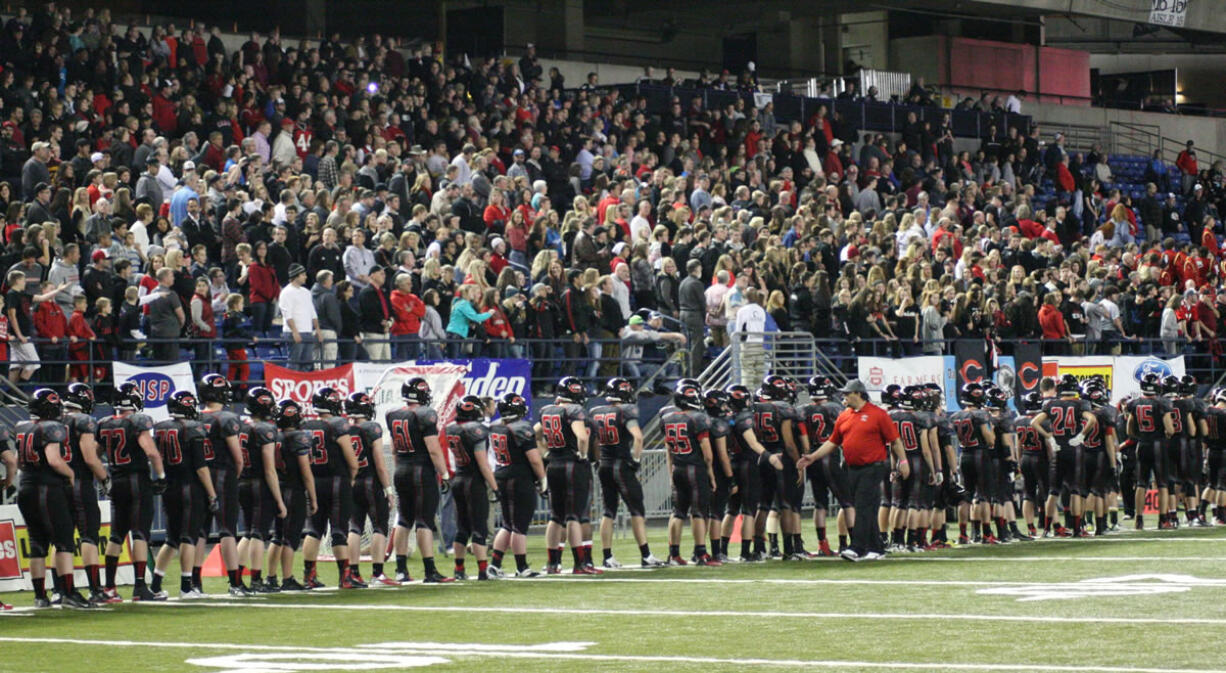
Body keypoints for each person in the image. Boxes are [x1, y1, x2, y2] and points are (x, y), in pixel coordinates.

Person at [797, 379, 909, 562]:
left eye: (848, 393)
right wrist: (813, 457)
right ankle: (876, 547)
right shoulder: (844, 415)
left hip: (873, 466)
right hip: (852, 468)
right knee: (867, 507)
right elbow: (833, 441)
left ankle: (857, 547)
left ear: (858, 393)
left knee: (863, 506)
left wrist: (903, 461)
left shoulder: (878, 414)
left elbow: (895, 440)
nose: (844, 396)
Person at [16, 389, 94, 609]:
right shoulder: (52, 427)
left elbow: (17, 459)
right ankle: (68, 592)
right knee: (64, 542)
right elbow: (54, 460)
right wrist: (71, 475)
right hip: (47, 489)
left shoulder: (22, 427)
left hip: (26, 487)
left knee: (37, 543)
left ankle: (40, 596)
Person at [97, 382, 166, 601]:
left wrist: (104, 479)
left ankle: (109, 587)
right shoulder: (137, 421)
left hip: (117, 481)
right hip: (137, 480)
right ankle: (139, 587)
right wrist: (161, 476)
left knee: (116, 535)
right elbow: (152, 453)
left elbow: (95, 453)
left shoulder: (104, 423)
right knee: (140, 534)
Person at [149, 390, 217, 600]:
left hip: (170, 486)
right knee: (188, 536)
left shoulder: (160, 428)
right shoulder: (193, 428)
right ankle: (186, 587)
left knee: (172, 539)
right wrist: (212, 494)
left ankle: (156, 584)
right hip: (190, 487)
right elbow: (201, 467)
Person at [590, 377, 664, 569]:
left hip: (605, 464)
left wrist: (598, 461)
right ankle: (646, 555)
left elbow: (596, 442)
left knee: (608, 510)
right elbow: (638, 438)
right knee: (637, 509)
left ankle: (607, 557)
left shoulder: (596, 412)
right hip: (621, 464)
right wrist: (636, 461)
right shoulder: (626, 411)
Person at [387, 377, 454, 584]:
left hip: (402, 470)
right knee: (424, 520)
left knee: (404, 520)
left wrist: (401, 468)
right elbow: (433, 450)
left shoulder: (393, 415)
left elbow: (394, 449)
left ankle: (400, 569)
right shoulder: (426, 414)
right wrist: (444, 474)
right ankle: (430, 570)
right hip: (421, 470)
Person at [299, 387, 359, 589]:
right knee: (339, 529)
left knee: (313, 529)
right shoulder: (338, 425)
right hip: (336, 481)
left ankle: (308, 576)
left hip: (314, 481)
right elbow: (352, 461)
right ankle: (345, 576)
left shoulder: (306, 425)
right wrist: (350, 479)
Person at [194, 374, 248, 595]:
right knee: (227, 530)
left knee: (200, 531)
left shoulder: (195, 417)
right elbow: (238, 458)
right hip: (223, 474)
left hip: (199, 476)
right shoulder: (226, 419)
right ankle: (235, 583)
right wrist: (234, 476)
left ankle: (193, 583)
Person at [537, 376, 597, 574]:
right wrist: (582, 454)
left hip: (553, 464)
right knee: (573, 516)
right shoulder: (574, 410)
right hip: (572, 465)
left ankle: (552, 563)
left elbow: (535, 434)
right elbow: (581, 437)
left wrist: (545, 452)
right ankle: (579, 563)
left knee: (556, 517)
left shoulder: (546, 410)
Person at [486, 393, 547, 579]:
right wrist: (543, 478)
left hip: (502, 474)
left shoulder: (496, 427)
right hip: (519, 477)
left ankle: (495, 565)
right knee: (519, 525)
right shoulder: (522, 428)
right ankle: (521, 567)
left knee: (508, 524)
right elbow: (535, 460)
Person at [1031, 374, 1099, 538]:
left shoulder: (1052, 404)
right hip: (1074, 448)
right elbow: (1092, 419)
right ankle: (1076, 529)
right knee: (1075, 489)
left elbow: (1034, 422)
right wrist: (1081, 435)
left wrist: (1049, 437)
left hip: (1057, 448)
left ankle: (1047, 530)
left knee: (1053, 491)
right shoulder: (1080, 403)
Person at [661, 380, 719, 566]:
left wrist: (671, 473)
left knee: (677, 512)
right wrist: (711, 473)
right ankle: (701, 553)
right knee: (698, 512)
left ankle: (674, 554)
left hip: (678, 467)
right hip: (695, 469)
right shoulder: (698, 419)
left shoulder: (667, 418)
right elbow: (708, 454)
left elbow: (668, 449)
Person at [264, 398, 318, 591]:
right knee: (290, 538)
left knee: (277, 536)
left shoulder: (273, 435)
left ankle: (271, 577)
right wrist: (312, 497)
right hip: (293, 490)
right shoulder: (298, 437)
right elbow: (306, 472)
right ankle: (287, 578)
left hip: (277, 488)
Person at [236, 387, 285, 593]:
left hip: (242, 482)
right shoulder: (265, 429)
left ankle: (236, 579)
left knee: (247, 532)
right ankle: (256, 579)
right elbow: (269, 469)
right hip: (259, 483)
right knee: (258, 533)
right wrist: (280, 501)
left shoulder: (240, 426)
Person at [344, 391, 395, 586]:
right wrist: (388, 490)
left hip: (352, 482)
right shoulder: (372, 428)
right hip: (370, 482)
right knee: (379, 526)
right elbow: (380, 464)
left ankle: (354, 572)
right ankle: (377, 573)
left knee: (354, 527)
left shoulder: (343, 428)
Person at [444, 395, 498, 581]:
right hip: (473, 481)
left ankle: (459, 569)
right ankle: (483, 570)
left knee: (462, 528)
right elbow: (483, 464)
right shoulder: (477, 429)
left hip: (458, 478)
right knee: (479, 528)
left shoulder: (451, 428)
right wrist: (495, 487)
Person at [280, 263, 321, 371]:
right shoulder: (286, 292)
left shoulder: (306, 292)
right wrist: (294, 331)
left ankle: (303, 385)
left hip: (307, 331)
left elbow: (313, 313)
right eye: (303, 274)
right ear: (296, 275)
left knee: (307, 363)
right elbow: (287, 314)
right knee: (294, 362)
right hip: (294, 332)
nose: (305, 277)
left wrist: (317, 329)